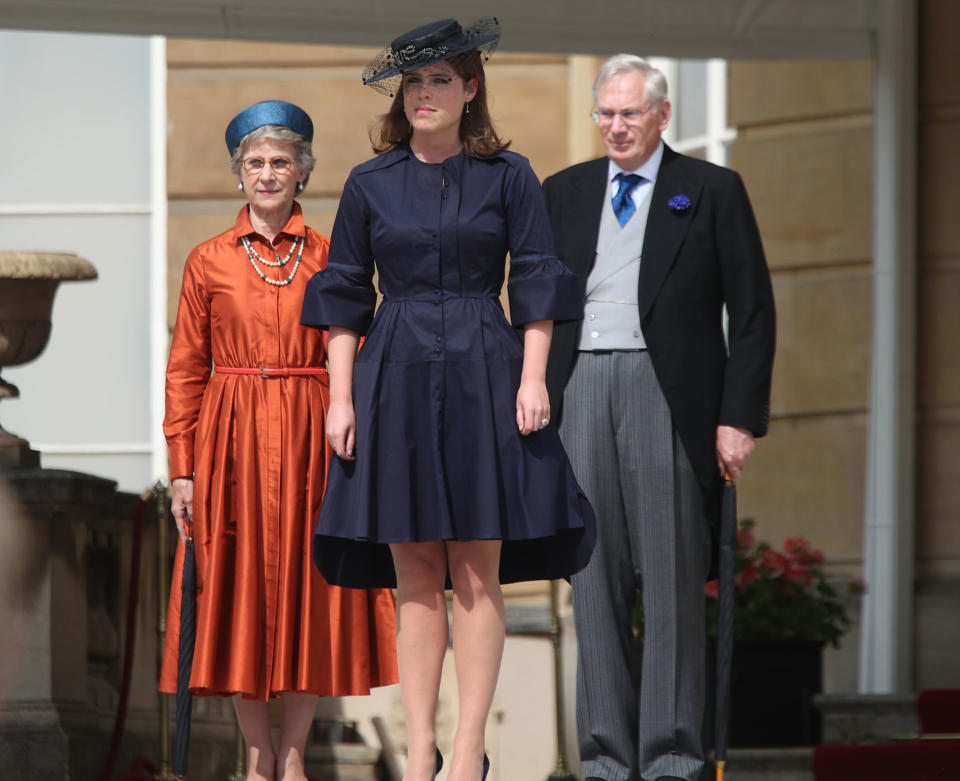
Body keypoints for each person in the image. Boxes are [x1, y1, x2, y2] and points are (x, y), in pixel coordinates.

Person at [300, 18, 595, 781]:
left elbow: (536, 281)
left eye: (440, 80)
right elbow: (341, 295)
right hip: (390, 372)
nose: (425, 93)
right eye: (414, 80)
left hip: (485, 368)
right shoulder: (370, 183)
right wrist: (341, 398)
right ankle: (421, 749)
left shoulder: (510, 176)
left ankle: (467, 754)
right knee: (415, 574)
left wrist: (533, 379)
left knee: (475, 568)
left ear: (470, 89)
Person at [542, 56, 776, 781]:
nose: (615, 126)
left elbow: (755, 311)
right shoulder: (564, 192)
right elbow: (536, 302)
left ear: (662, 116)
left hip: (667, 391)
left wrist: (739, 417)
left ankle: (673, 756)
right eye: (605, 113)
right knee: (593, 575)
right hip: (581, 383)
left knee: (672, 576)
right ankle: (607, 758)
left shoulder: (711, 190)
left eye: (629, 113)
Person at [160, 100, 399, 781]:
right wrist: (184, 468)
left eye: (281, 162)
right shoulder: (207, 261)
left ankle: (294, 756)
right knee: (234, 590)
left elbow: (360, 349)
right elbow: (184, 369)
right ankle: (257, 756)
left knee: (308, 593)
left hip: (310, 437)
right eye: (256, 162)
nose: (268, 174)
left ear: (302, 173)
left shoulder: (332, 254)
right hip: (229, 437)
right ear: (240, 174)